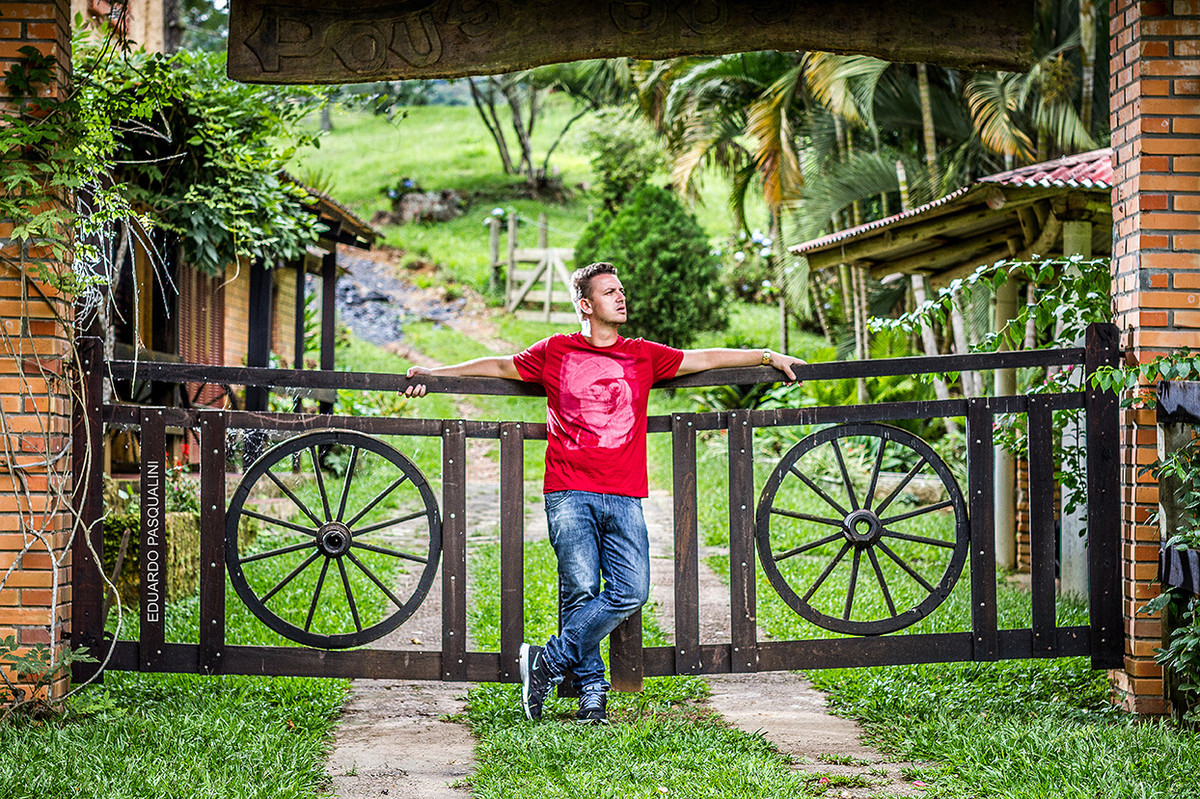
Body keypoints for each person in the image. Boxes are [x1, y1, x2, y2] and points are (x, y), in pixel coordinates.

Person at [403, 262, 804, 724]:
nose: (621, 297)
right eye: (610, 292)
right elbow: (497, 365)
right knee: (580, 590)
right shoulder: (555, 351)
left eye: (621, 289)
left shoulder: (643, 355)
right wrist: (435, 372)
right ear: (585, 305)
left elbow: (704, 358)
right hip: (569, 490)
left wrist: (766, 355)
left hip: (624, 493)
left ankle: (546, 663)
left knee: (632, 591)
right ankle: (592, 691)